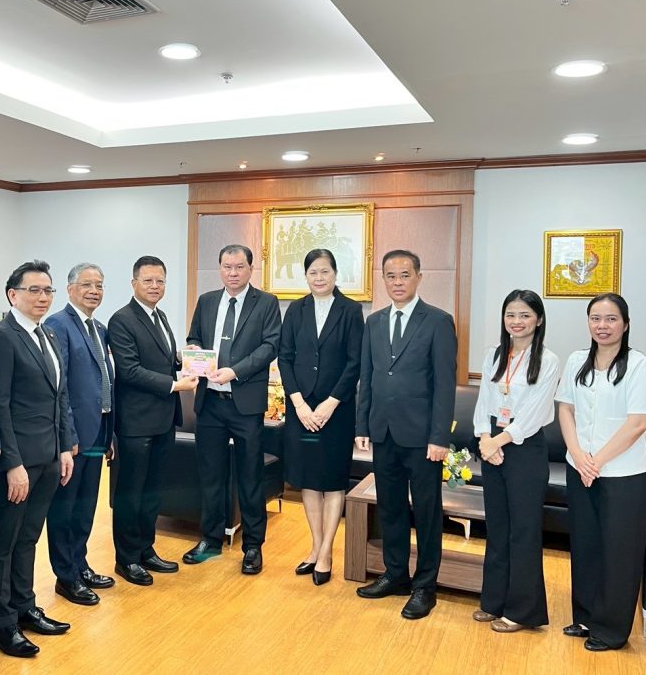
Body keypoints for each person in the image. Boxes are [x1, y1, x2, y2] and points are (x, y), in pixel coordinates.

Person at [0, 260, 74, 659]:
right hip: (18, 463)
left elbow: (59, 396)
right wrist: (11, 463)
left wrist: (64, 447)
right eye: (34, 290)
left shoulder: (46, 333)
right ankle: (2, 624)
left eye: (48, 290)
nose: (42, 297)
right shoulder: (2, 337)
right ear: (12, 295)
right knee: (3, 542)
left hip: (48, 456)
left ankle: (24, 606)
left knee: (29, 537)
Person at [354, 248, 457, 619]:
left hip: (423, 437)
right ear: (383, 279)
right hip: (383, 431)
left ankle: (425, 586)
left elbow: (445, 384)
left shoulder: (438, 321)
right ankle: (395, 574)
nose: (397, 282)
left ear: (419, 277)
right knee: (391, 507)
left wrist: (439, 437)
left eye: (404, 275)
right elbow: (367, 376)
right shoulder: (374, 322)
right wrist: (362, 425)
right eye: (390, 276)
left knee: (426, 513)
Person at [555, 293, 646, 652]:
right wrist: (577, 454)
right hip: (579, 468)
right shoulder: (576, 360)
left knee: (619, 552)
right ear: (588, 322)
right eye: (596, 318)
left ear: (625, 324)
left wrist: (595, 461)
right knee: (585, 546)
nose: (603, 326)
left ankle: (612, 630)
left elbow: (638, 423)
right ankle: (586, 617)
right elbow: (565, 409)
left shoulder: (640, 365)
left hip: (623, 475)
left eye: (611, 319)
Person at [184, 244, 281, 574]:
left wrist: (235, 371)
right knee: (210, 475)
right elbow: (194, 337)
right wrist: (195, 352)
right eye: (227, 267)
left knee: (250, 476)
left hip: (245, 405)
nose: (233, 273)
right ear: (220, 268)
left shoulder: (266, 303)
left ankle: (253, 546)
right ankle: (210, 539)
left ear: (251, 268)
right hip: (209, 402)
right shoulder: (207, 300)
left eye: (239, 267)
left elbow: (270, 346)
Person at [471, 289, 559, 632]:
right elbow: (484, 400)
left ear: (539, 319)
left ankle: (522, 611)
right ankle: (493, 601)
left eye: (524, 315)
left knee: (523, 530)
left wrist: (497, 441)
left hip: (524, 447)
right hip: (492, 442)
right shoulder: (494, 354)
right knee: (497, 527)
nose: (517, 321)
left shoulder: (548, 360)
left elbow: (535, 413)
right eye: (511, 314)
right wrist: (484, 438)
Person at [108, 256, 198, 586]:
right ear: (134, 283)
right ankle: (127, 558)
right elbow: (130, 370)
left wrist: (186, 358)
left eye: (160, 281)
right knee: (131, 493)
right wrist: (175, 384)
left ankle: (146, 549)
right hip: (136, 423)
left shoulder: (160, 316)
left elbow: (162, 360)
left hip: (162, 420)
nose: (155, 286)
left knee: (153, 491)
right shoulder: (122, 320)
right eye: (148, 280)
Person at [278, 248, 363, 585]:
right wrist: (298, 403)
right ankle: (315, 547)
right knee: (309, 479)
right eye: (313, 272)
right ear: (306, 276)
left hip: (336, 410)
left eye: (325, 271)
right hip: (301, 409)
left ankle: (326, 552)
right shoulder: (295, 310)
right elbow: (285, 358)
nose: (319, 278)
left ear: (335, 274)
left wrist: (331, 402)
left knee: (333, 479)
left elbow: (355, 362)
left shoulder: (351, 310)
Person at [45, 263, 117, 605]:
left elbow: (103, 381)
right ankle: (66, 576)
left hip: (98, 431)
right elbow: (59, 387)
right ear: (70, 289)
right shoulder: (58, 325)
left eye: (99, 285)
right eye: (86, 284)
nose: (94, 291)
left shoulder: (99, 328)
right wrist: (68, 435)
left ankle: (80, 564)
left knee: (86, 505)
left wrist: (110, 432)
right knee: (66, 508)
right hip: (73, 437)